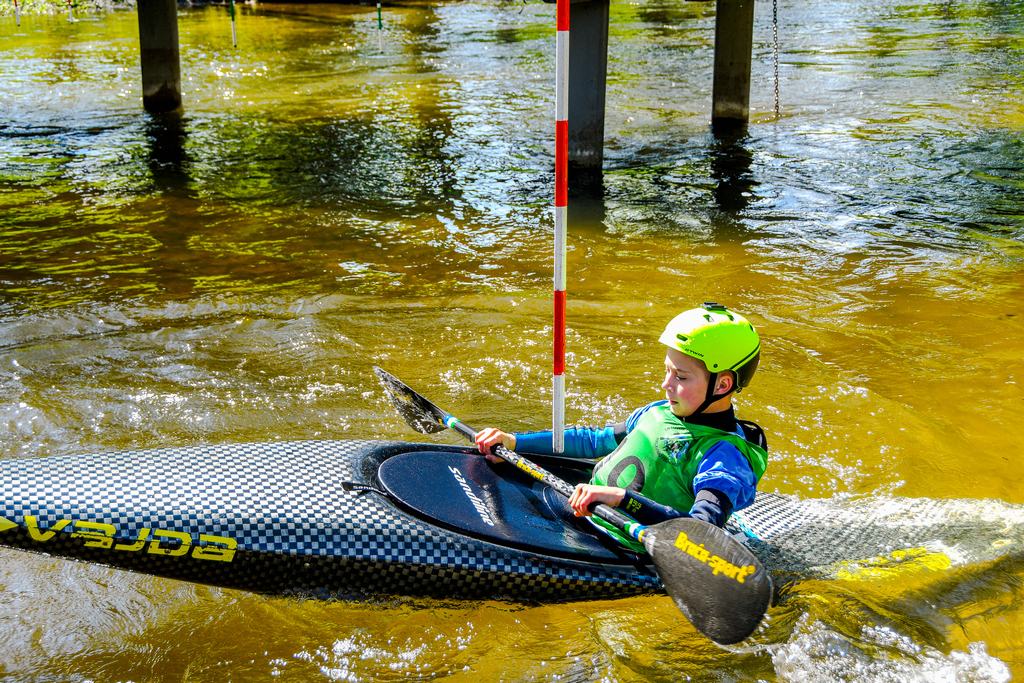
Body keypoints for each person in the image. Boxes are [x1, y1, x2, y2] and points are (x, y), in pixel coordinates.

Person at [474, 302, 768, 552]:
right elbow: (593, 441)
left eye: (681, 377)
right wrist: (515, 442)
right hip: (579, 507)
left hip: (624, 544)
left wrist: (623, 499)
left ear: (724, 384)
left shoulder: (723, 456)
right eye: (667, 371)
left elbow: (702, 531)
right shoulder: (658, 411)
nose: (666, 384)